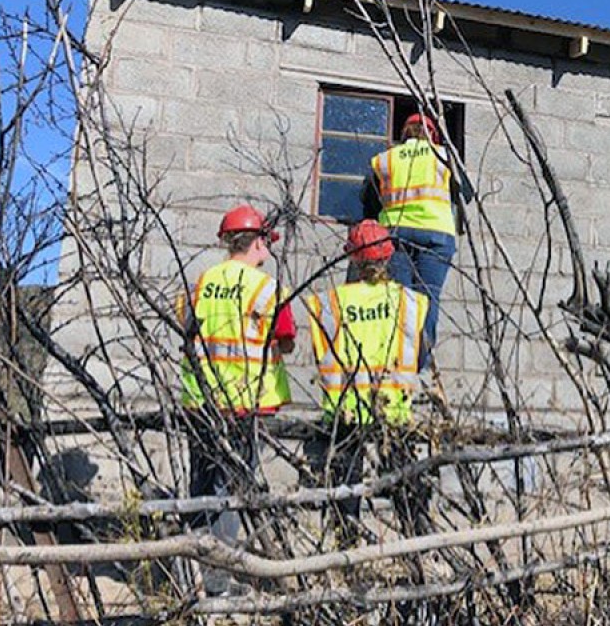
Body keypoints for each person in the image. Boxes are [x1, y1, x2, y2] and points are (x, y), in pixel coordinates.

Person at [177, 204, 294, 595]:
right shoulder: (266, 288)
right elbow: (287, 340)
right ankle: (217, 582)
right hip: (244, 403)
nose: (268, 251)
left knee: (201, 486)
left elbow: (187, 330)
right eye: (267, 243)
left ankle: (193, 573)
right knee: (228, 491)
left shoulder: (199, 283)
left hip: (201, 402)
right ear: (257, 242)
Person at [305, 220, 429, 544]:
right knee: (406, 488)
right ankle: (418, 547)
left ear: (352, 259)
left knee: (345, 489)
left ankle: (347, 550)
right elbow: (419, 354)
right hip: (393, 411)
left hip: (345, 412)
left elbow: (321, 356)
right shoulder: (411, 303)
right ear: (388, 258)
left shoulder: (329, 303)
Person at [367, 113, 456, 370]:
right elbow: (465, 193)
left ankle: (397, 363)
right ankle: (421, 365)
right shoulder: (444, 156)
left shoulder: (385, 159)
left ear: (404, 133)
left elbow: (369, 200)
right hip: (436, 235)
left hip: (395, 235)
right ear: (432, 135)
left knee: (399, 301)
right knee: (427, 299)